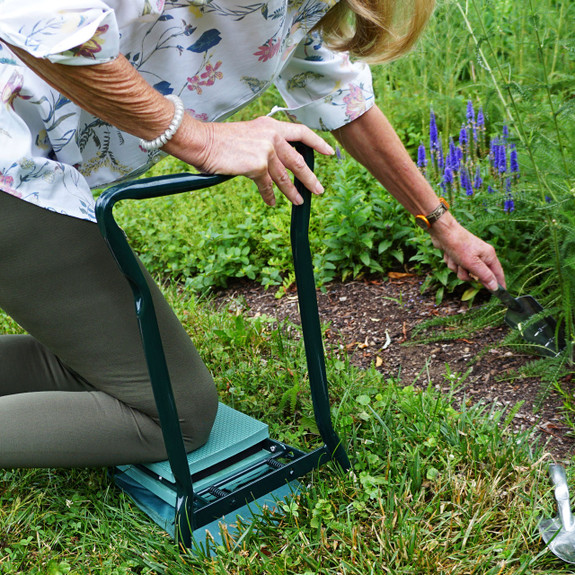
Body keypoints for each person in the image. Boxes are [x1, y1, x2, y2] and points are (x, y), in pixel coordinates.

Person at [0, 0, 504, 468]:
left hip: (31, 169)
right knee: (177, 414)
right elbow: (35, 14)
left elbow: (338, 93)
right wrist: (197, 137)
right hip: (11, 169)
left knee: (105, 362)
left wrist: (442, 224)